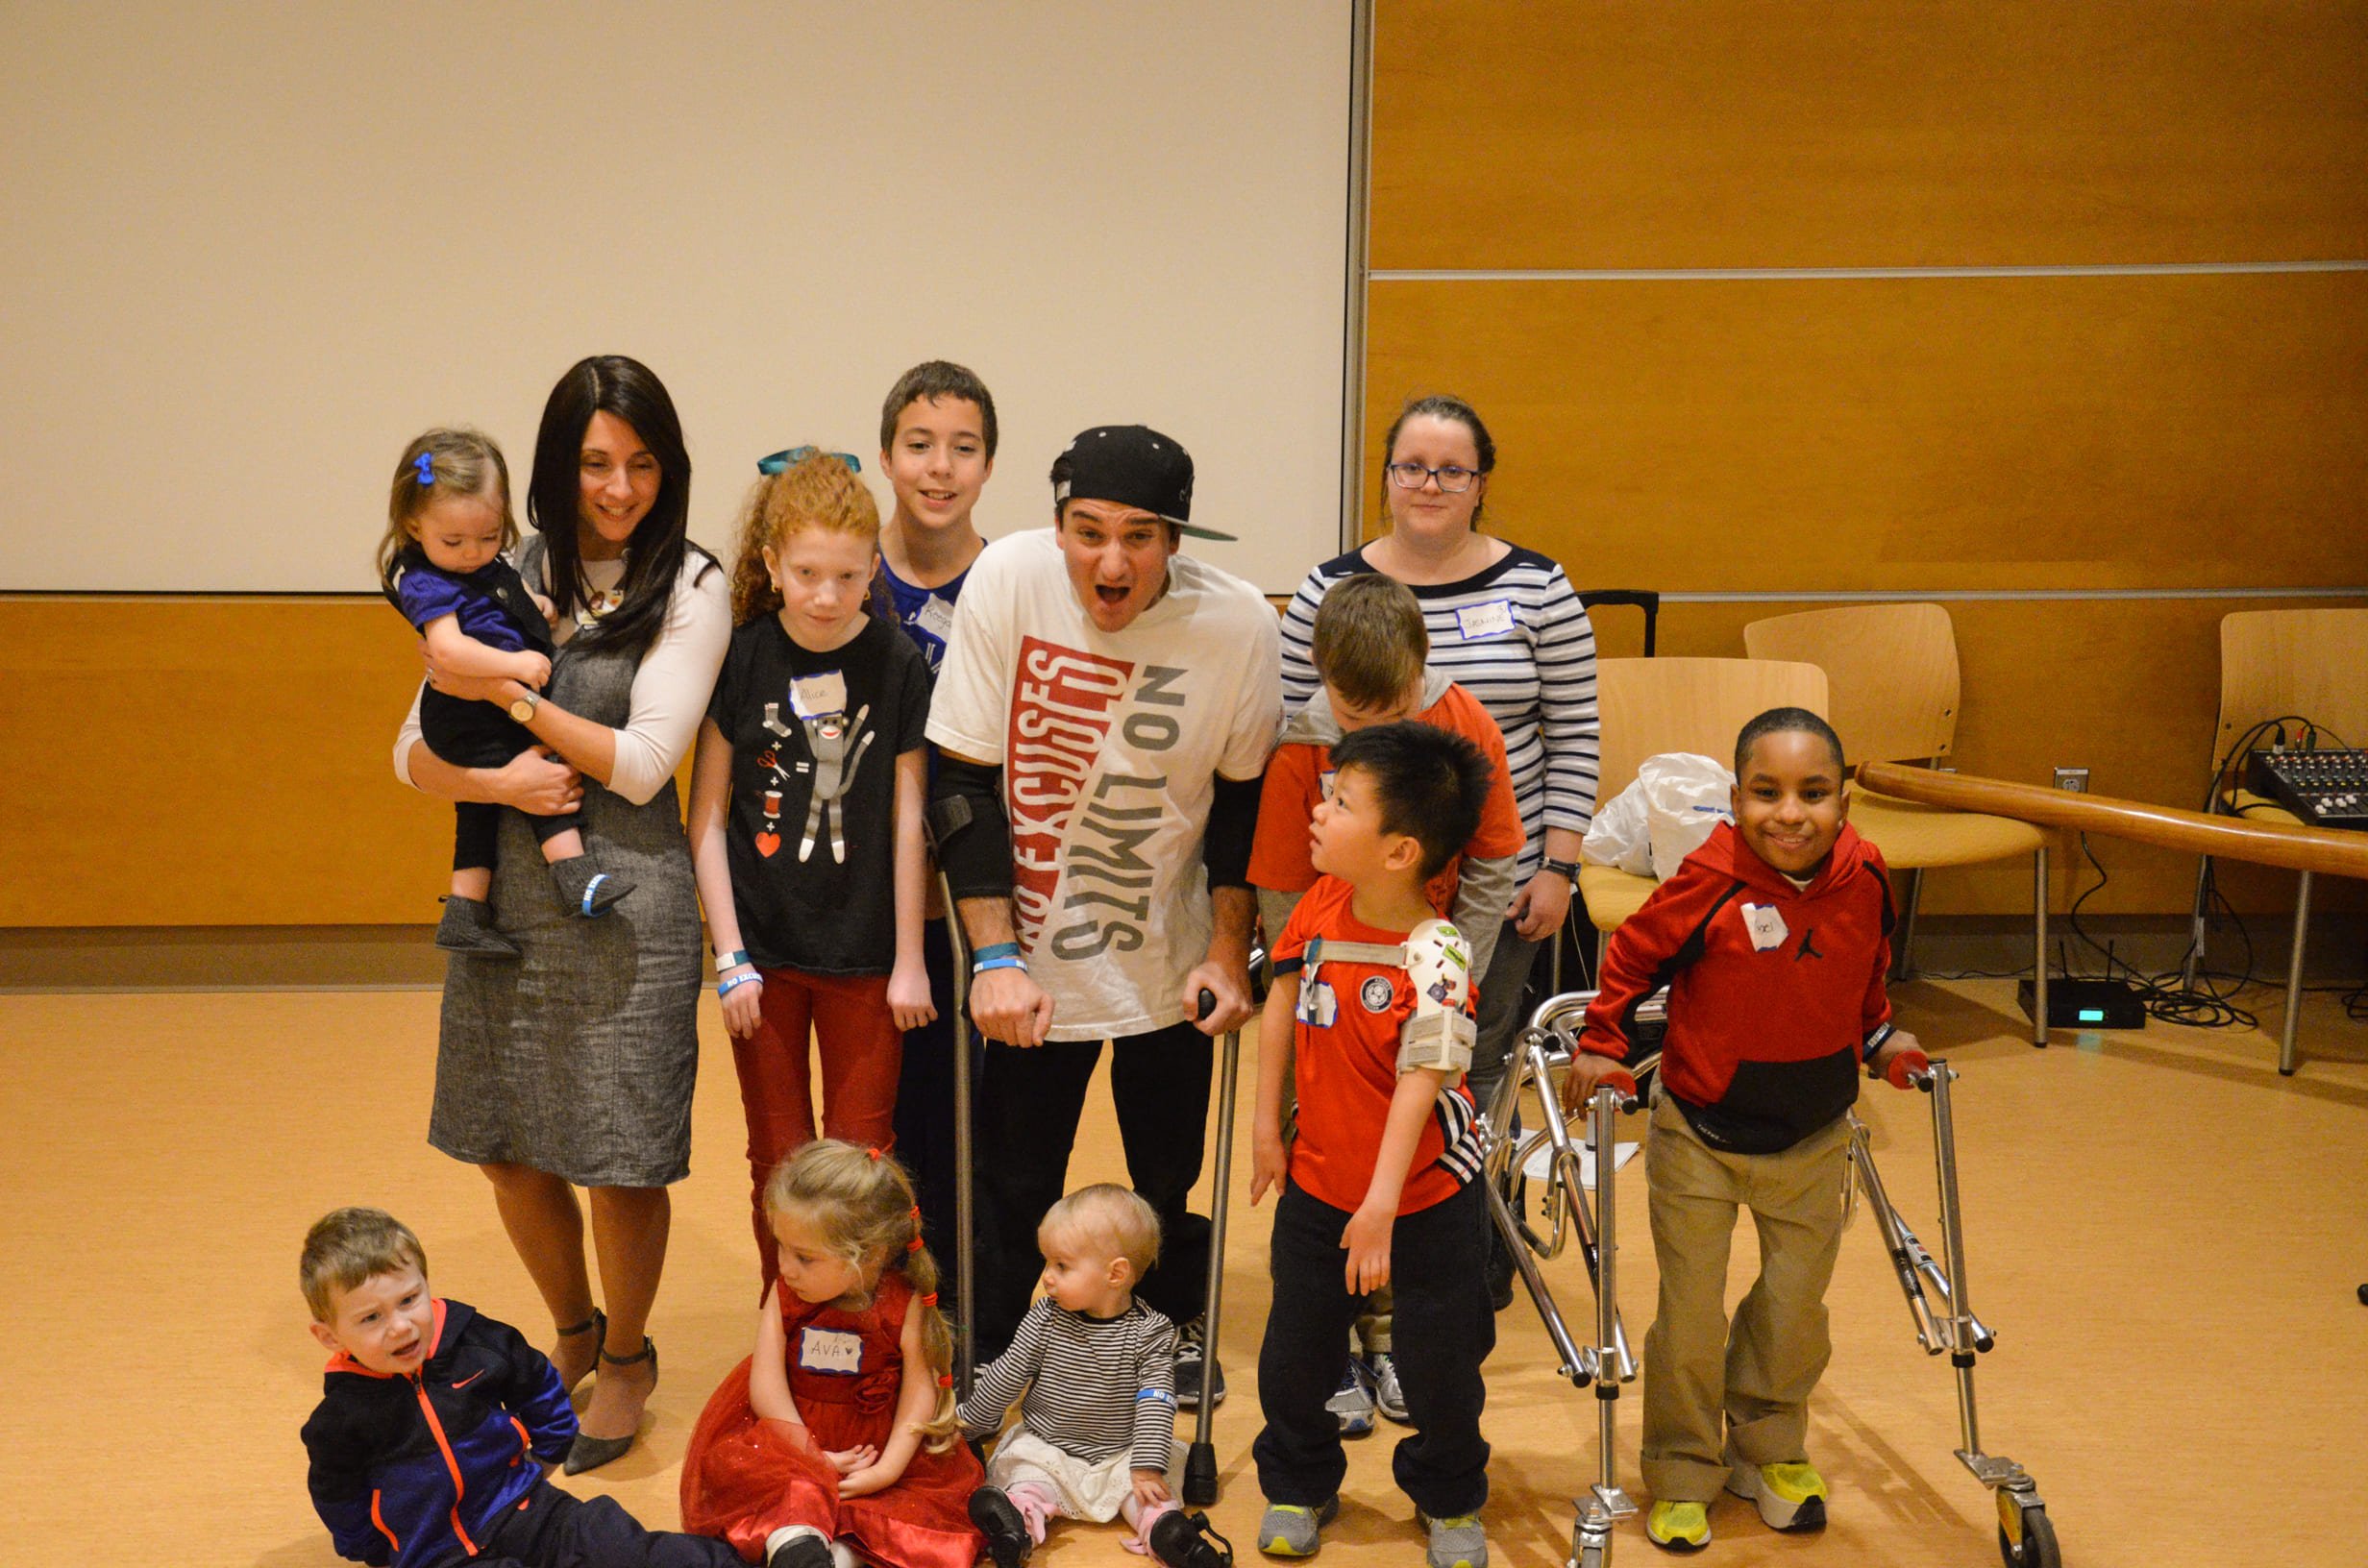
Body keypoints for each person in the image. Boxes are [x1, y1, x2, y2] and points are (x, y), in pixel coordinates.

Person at [393, 355, 731, 1472]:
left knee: (620, 1155)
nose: (618, 487)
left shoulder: (691, 582)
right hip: (505, 900)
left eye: (641, 464)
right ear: (555, 466)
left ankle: (629, 1357)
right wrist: (501, 783)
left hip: (627, 900)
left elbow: (641, 766)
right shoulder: (497, 561)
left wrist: (509, 688)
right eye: (594, 463)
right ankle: (574, 1333)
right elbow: (411, 754)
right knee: (507, 1147)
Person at [925, 424, 1280, 1404]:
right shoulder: (1007, 579)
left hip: (1168, 953)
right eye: (1087, 533)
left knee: (1160, 1178)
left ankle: (1157, 1336)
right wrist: (992, 957)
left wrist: (1226, 951)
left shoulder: (1240, 623)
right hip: (1031, 959)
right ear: (1056, 527)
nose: (1110, 562)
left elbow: (1242, 804)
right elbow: (960, 785)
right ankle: (1007, 1346)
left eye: (1139, 536)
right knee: (1013, 1179)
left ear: (1176, 541)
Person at [1559, 708, 1929, 1554]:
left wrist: (1881, 1035)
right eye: (1765, 793)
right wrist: (1605, 1044)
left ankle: (1767, 1448)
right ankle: (1684, 1466)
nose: (1789, 813)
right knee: (1690, 1314)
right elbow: (1630, 957)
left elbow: (1866, 972)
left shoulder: (1867, 876)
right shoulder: (1709, 877)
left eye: (1813, 793)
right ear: (1734, 798)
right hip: (1701, 1133)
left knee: (1797, 1308)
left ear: (1844, 800)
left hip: (1815, 1131)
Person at [1277, 395, 1599, 1159]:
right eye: (1412, 467)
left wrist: (1557, 866)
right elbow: (1299, 736)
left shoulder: (1540, 587)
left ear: (1482, 483)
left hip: (1497, 878)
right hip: (1354, 895)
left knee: (1475, 1057)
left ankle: (1477, 1227)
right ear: (1386, 479)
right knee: (1361, 1060)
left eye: (1452, 471)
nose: (1430, 484)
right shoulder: (1327, 590)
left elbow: (1577, 733)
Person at [1248, 572, 1522, 1435]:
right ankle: (1345, 1342)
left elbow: (1493, 856)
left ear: (1421, 668)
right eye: (1349, 707)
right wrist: (1310, 981)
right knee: (1328, 1156)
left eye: (1387, 704)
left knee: (1415, 1150)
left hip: (1425, 977)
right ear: (1321, 673)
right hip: (1334, 984)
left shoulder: (1464, 725)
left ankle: (1398, 1335)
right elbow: (1284, 887)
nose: (1365, 726)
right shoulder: (1302, 747)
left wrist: (1449, 973)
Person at [1246, 722, 1498, 1568]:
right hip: (1318, 1189)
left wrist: (1382, 1207)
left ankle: (1449, 1494)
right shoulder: (1319, 903)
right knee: (1295, 1354)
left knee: (1441, 1368)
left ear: (1398, 852)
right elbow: (1281, 1004)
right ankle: (1297, 1481)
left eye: (1341, 802)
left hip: (1421, 1199)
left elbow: (1419, 1087)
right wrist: (1263, 1127)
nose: (1319, 811)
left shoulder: (1439, 952)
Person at [690, 448, 935, 1293]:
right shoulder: (744, 653)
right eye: (806, 573)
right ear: (770, 565)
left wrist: (910, 958)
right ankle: (785, 1318)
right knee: (780, 1155)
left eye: (845, 575)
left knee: (862, 1157)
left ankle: (863, 1327)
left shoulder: (898, 661)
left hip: (866, 959)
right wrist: (729, 958)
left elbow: (910, 814)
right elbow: (708, 816)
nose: (826, 596)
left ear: (873, 567)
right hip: (762, 958)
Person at [299, 1207, 740, 1568]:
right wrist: (380, 1551)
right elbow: (339, 1499)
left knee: (616, 1543)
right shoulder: (338, 1420)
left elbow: (537, 1383)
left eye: (409, 1300)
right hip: (437, 1555)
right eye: (370, 1318)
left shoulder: (474, 1338)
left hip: (527, 1509)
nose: (399, 1327)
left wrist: (550, 1451)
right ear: (331, 1337)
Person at [378, 428, 632, 955]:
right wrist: (512, 664)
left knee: (478, 810)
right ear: (412, 525)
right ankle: (576, 878)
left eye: (489, 537)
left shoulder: (484, 564)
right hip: (464, 710)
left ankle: (466, 911)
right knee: (541, 780)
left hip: (476, 706)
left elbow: (499, 597)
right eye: (454, 542)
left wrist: (529, 609)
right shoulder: (425, 580)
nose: (473, 553)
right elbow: (447, 651)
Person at [678, 1140, 984, 1568]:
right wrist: (808, 1454)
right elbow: (766, 1385)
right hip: (792, 1438)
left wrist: (888, 1469)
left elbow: (920, 1394)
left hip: (874, 1452)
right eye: (780, 1247)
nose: (786, 1267)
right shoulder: (784, 1295)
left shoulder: (904, 1305)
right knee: (776, 1485)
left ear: (871, 1255)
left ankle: (839, 1555)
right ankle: (795, 1541)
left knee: (890, 1506)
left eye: (804, 1257)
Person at [874, 361, 999, 1291]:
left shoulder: (1010, 581)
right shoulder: (845, 571)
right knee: (882, 1105)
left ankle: (967, 1296)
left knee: (970, 1108)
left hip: (979, 884)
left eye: (962, 448)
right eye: (920, 445)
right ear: (886, 455)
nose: (939, 467)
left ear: (988, 465)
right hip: (863, 887)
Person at [959, 1185, 1185, 1566]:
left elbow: (1156, 1401)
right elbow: (1008, 1373)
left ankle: (1164, 1530)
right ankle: (1018, 1525)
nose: (1047, 1277)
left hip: (1121, 1452)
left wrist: (1146, 1464)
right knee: (1027, 1474)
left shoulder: (1150, 1332)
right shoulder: (1045, 1317)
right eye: (1047, 1263)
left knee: (1147, 1491)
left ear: (1115, 1274)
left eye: (1061, 1266)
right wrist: (967, 1422)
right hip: (1048, 1446)